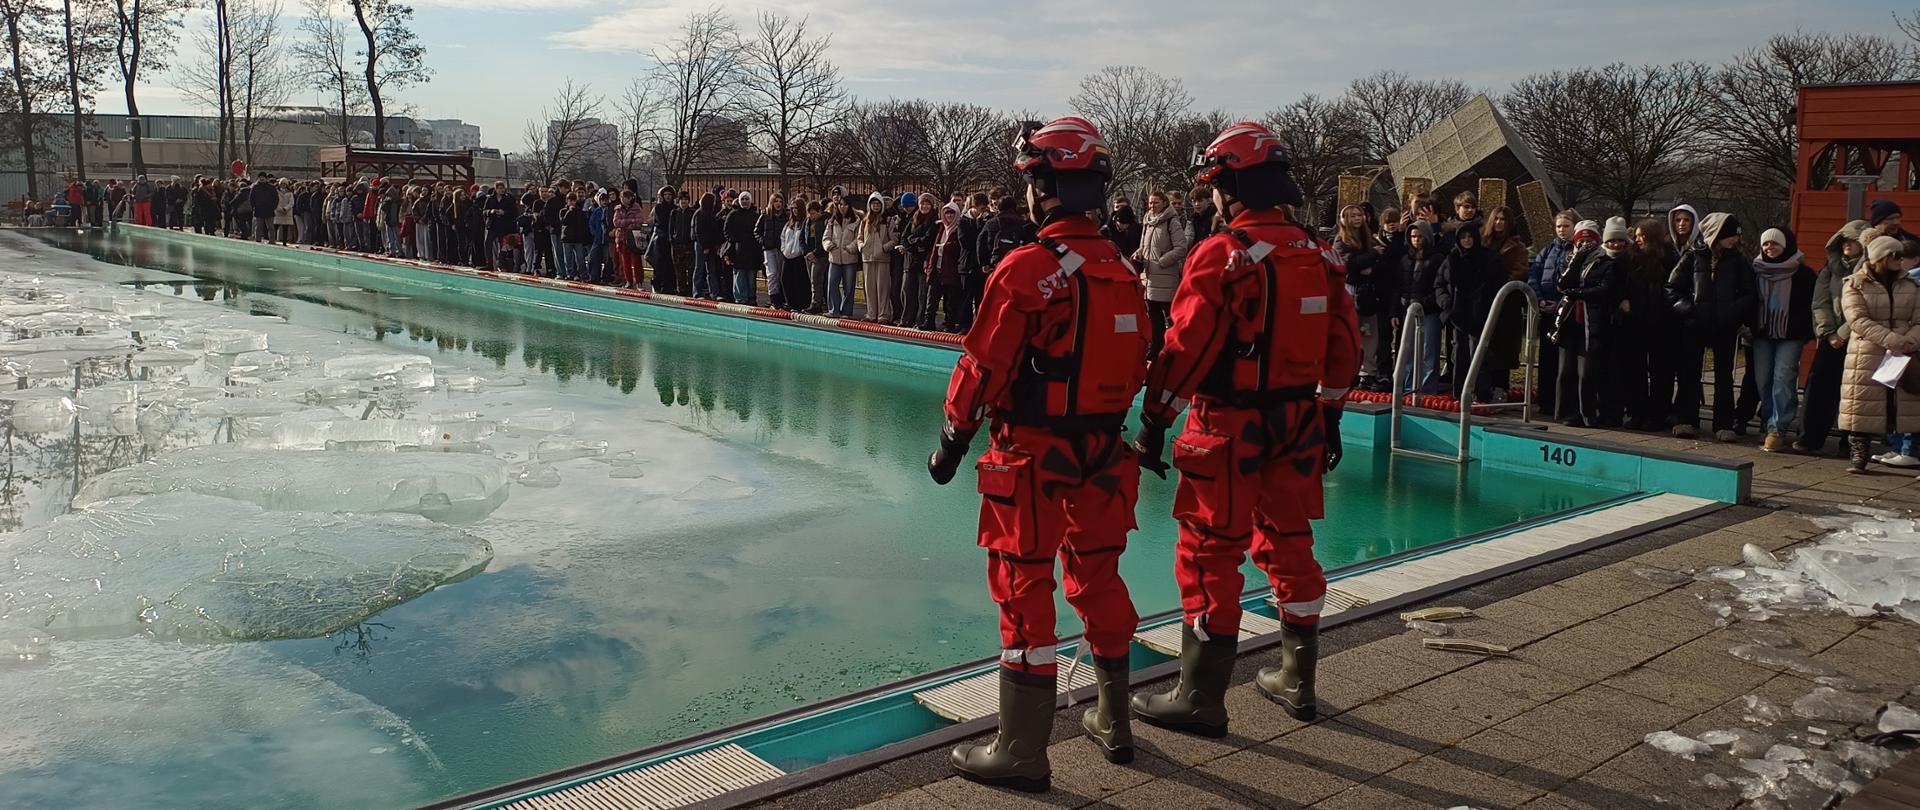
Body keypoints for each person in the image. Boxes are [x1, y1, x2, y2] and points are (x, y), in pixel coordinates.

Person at [927, 117, 1148, 789]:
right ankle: (1114, 720)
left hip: (1031, 459)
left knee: (1025, 593)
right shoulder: (1122, 272)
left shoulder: (1028, 269)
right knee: (1100, 580)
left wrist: (952, 439)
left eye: (1031, 182)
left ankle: (1022, 750)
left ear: (1045, 189)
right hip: (1103, 455)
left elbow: (981, 365)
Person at [1130, 121, 1360, 737]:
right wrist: (1331, 413)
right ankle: (1298, 681)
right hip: (1299, 419)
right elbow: (1345, 344)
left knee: (1210, 554)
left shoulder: (1222, 253)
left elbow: (1185, 348)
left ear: (1229, 185)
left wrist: (1154, 420)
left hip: (1227, 423)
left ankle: (1200, 698)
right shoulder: (1319, 252)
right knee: (1290, 542)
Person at [1668, 213, 1756, 442]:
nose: (1734, 241)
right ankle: (1686, 419)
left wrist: (1733, 312)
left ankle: (1723, 423)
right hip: (1694, 325)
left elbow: (1749, 294)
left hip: (1725, 326)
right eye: (1730, 236)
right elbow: (1672, 288)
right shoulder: (1692, 256)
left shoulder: (1738, 260)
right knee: (1689, 374)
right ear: (1716, 234)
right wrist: (1689, 310)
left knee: (1725, 376)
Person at [1840, 236, 1920, 473]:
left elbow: (1919, 319)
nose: (1900, 260)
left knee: (1906, 403)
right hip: (1867, 352)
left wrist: (1909, 341)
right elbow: (1857, 319)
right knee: (1862, 403)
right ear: (1880, 258)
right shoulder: (1855, 284)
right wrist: (1891, 339)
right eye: (1894, 256)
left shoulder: (1911, 286)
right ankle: (1859, 452)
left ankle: (1909, 450)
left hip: (1904, 351)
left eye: (1901, 255)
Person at [1800, 221, 1871, 455]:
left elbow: (1867, 305)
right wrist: (1828, 331)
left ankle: (1849, 443)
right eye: (1844, 241)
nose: (1848, 245)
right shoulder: (1829, 268)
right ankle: (1810, 437)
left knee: (1854, 390)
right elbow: (1819, 301)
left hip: (1859, 337)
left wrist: (1842, 334)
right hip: (1830, 336)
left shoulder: (1870, 270)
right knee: (1818, 384)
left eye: (1853, 241)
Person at [1749, 228, 1816, 452]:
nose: (1770, 248)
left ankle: (1778, 427)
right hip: (1762, 333)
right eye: (1766, 244)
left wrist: (1806, 331)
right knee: (1763, 379)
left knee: (1783, 378)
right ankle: (1768, 420)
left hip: (1791, 334)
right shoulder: (1755, 270)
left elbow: (1811, 306)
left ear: (1786, 245)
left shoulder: (1803, 273)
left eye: (1775, 244)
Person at [1550, 220, 1617, 426]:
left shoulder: (1605, 263)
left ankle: (1587, 413)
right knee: (1565, 371)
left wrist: (1577, 292)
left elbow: (1602, 289)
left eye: (1589, 241)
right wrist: (1577, 259)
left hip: (1591, 321)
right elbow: (1562, 284)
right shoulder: (1569, 260)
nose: (1585, 245)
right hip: (1568, 321)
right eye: (1581, 241)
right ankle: (1566, 412)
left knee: (1586, 372)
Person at [1617, 220, 1677, 430]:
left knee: (1661, 371)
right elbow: (1618, 281)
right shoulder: (1629, 257)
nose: (1639, 240)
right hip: (1635, 319)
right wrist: (1623, 299)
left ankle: (1657, 414)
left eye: (1644, 236)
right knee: (1635, 369)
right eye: (1638, 236)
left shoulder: (1669, 257)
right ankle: (1637, 411)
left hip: (1661, 321)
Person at [1528, 210, 1579, 413]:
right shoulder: (1548, 250)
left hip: (1565, 312)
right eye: (1559, 226)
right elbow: (1534, 275)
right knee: (1546, 358)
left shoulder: (1576, 250)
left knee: (1564, 360)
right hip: (1546, 312)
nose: (1562, 230)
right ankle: (1546, 400)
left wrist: (1558, 304)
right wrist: (1539, 299)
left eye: (1566, 226)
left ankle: (1563, 401)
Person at [1333, 204, 1389, 390]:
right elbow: (1347, 264)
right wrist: (1370, 257)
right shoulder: (1341, 241)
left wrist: (1371, 265)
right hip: (1349, 291)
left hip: (1368, 293)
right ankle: (1348, 371)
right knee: (1349, 334)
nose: (1357, 219)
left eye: (1359, 215)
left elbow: (1382, 260)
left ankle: (1368, 372)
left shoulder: (1369, 239)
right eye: (1353, 216)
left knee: (1369, 334)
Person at [1392, 220, 1448, 393]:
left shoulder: (1437, 258)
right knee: (1407, 350)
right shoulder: (1405, 259)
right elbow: (1398, 286)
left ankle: (1427, 388)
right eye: (1413, 236)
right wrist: (1395, 311)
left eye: (1420, 236)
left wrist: (1424, 302)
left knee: (1428, 351)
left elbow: (1439, 285)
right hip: (1407, 310)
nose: (1416, 240)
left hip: (1429, 311)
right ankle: (1408, 386)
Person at [1135, 190, 1190, 357]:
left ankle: (1176, 348)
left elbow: (1181, 247)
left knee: (1170, 317)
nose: (1152, 206)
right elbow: (1145, 246)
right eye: (1150, 203)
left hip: (1165, 277)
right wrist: (1139, 253)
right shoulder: (1147, 221)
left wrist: (1162, 261)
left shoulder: (1171, 222)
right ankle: (1156, 350)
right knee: (1154, 319)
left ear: (1164, 203)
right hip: (1150, 277)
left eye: (1156, 202)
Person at [920, 202, 968, 332]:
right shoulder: (940, 228)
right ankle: (928, 321)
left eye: (952, 212)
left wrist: (947, 247)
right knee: (932, 297)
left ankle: (949, 324)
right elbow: (933, 248)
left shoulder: (959, 229)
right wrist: (930, 265)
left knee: (951, 300)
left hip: (951, 269)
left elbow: (960, 248)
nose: (949, 215)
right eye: (947, 212)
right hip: (937, 268)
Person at [899, 195, 939, 328]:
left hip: (924, 261)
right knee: (907, 291)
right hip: (910, 261)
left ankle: (920, 320)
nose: (924, 207)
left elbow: (927, 240)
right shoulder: (914, 218)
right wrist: (913, 243)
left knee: (922, 294)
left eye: (927, 204)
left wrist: (912, 241)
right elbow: (904, 237)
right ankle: (907, 319)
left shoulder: (934, 221)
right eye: (922, 204)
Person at [857, 193, 898, 323]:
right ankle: (871, 313)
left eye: (878, 204)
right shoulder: (865, 220)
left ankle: (883, 314)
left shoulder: (888, 220)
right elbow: (859, 237)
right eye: (873, 203)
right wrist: (861, 247)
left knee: (883, 288)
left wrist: (884, 248)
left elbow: (894, 239)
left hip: (882, 259)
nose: (875, 206)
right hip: (867, 258)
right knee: (869, 288)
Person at [822, 197, 862, 317]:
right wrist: (828, 245)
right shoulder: (832, 221)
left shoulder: (856, 221)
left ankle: (846, 311)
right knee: (832, 283)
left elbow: (858, 238)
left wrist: (851, 247)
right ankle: (834, 310)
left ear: (849, 206)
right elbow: (826, 237)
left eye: (845, 205)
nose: (842, 207)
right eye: (840, 205)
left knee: (848, 286)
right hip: (834, 257)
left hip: (849, 258)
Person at [723, 191, 763, 305]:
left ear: (750, 201)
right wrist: (734, 241)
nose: (745, 202)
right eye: (743, 200)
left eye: (747, 199)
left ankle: (751, 297)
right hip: (738, 250)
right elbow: (726, 231)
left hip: (752, 250)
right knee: (739, 276)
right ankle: (741, 298)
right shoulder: (733, 215)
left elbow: (759, 232)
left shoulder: (755, 216)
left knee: (751, 276)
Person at [693, 192, 724, 300]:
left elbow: (713, 231)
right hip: (702, 245)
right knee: (700, 268)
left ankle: (714, 292)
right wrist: (705, 246)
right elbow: (699, 232)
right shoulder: (700, 214)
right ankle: (697, 291)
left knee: (711, 270)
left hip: (710, 245)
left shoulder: (711, 214)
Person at [804, 201, 829, 313]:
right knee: (812, 280)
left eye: (813, 213)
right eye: (809, 214)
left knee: (816, 279)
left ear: (819, 211)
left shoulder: (823, 222)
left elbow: (823, 240)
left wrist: (815, 253)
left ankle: (817, 303)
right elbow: (802, 238)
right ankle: (816, 301)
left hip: (820, 255)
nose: (811, 216)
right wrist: (807, 252)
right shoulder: (808, 222)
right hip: (809, 255)